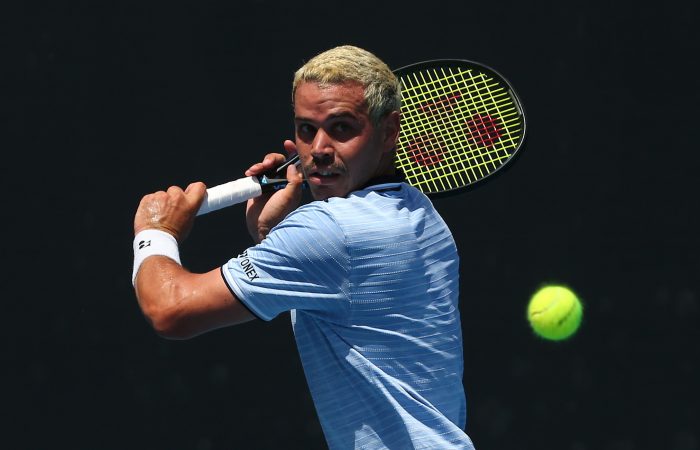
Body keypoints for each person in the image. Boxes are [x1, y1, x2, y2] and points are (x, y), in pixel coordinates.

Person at [131, 45, 475, 449]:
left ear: (390, 132)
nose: (319, 150)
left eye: (342, 127)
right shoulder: (419, 212)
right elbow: (348, 293)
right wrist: (273, 234)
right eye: (307, 130)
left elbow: (170, 311)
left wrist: (155, 232)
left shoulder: (331, 231)